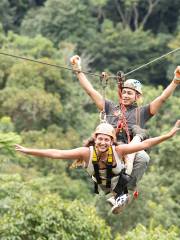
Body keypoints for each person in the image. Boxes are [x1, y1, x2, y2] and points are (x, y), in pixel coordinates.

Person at [15, 120, 180, 214]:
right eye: (100, 139)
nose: (103, 142)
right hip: (107, 186)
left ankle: (138, 134)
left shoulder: (117, 149)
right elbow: (57, 153)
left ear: (111, 141)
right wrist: (29, 151)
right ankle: (118, 196)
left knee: (136, 150)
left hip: (122, 179)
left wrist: (169, 134)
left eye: (106, 140)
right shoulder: (86, 153)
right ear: (95, 139)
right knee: (132, 149)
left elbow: (147, 143)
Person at [70, 55, 180, 194]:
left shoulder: (142, 112)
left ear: (137, 96)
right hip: (110, 148)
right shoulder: (110, 107)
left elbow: (162, 98)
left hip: (128, 149)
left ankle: (126, 189)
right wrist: (78, 70)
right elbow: (90, 92)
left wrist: (175, 81)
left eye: (130, 93)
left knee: (143, 157)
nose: (126, 95)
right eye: (124, 92)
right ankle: (108, 182)